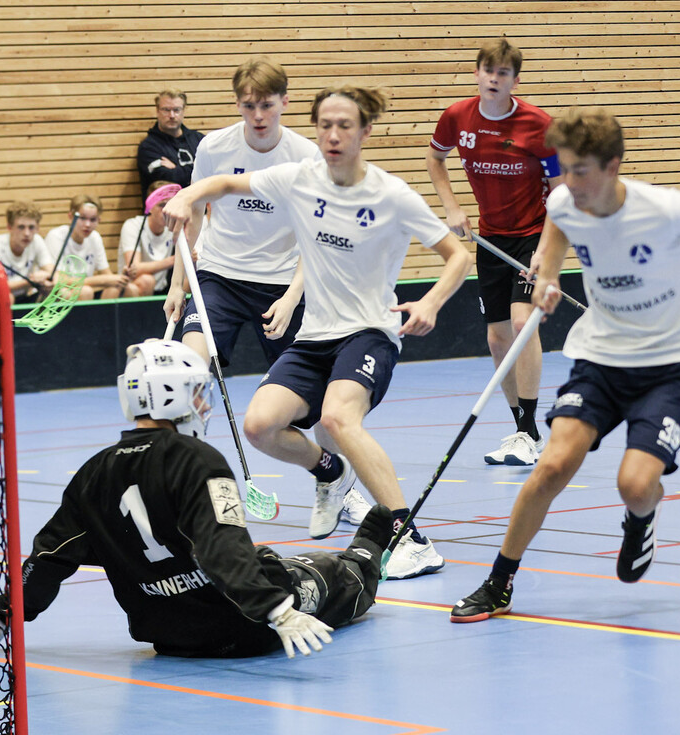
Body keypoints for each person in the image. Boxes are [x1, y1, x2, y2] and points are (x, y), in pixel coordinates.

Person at [450, 107, 680, 622]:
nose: (569, 182)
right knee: (551, 466)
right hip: (601, 360)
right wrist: (547, 279)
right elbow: (555, 238)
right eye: (564, 168)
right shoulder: (565, 201)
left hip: (669, 367)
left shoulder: (662, 208)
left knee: (634, 486)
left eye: (581, 171)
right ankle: (498, 583)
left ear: (613, 166)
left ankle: (642, 516)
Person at [163, 86, 471, 580]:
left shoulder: (391, 195)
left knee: (338, 418)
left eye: (344, 125)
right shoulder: (298, 178)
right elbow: (223, 183)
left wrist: (431, 302)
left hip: (368, 331)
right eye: (325, 125)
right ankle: (329, 471)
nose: (332, 135)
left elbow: (457, 256)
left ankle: (411, 539)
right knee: (260, 426)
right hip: (314, 336)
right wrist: (186, 195)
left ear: (365, 131)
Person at [0, 339, 393, 659]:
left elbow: (47, 558)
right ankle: (367, 553)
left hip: (169, 637)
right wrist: (276, 611)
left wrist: (3, 614)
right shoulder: (197, 459)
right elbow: (221, 548)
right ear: (172, 393)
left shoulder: (93, 473)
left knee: (263, 560)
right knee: (318, 572)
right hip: (247, 628)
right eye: (197, 391)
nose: (203, 404)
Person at [427, 38, 561, 467]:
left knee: (523, 323)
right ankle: (525, 430)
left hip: (534, 235)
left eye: (503, 73)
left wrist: (546, 251)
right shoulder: (457, 117)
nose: (494, 79)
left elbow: (561, 193)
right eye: (488, 70)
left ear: (515, 81)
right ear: (477, 74)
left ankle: (527, 432)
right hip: (491, 238)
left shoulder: (539, 125)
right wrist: (452, 207)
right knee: (497, 338)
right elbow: (435, 159)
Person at [163, 57, 319, 372]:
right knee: (188, 368)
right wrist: (177, 284)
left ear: (285, 102)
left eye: (267, 105)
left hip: (281, 281)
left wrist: (292, 297)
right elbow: (195, 214)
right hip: (219, 277)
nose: (258, 116)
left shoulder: (306, 156)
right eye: (249, 106)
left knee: (305, 387)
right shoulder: (214, 147)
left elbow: (313, 236)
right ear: (237, 104)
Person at [43, 194, 137, 300]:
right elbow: (58, 279)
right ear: (71, 217)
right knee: (85, 291)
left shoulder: (95, 237)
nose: (87, 224)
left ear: (99, 221)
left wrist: (122, 277)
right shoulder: (56, 236)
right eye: (82, 218)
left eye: (93, 220)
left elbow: (106, 274)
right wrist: (100, 280)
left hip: (85, 288)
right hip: (58, 291)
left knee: (127, 288)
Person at [0, 200, 55, 306]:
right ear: (9, 227)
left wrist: (46, 278)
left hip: (22, 297)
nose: (27, 233)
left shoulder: (36, 241)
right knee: (6, 296)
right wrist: (30, 282)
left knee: (56, 291)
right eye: (21, 227)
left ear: (37, 228)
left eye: (31, 227)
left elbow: (53, 273)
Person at [136, 89, 204, 200]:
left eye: (176, 110)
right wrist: (197, 168)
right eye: (166, 110)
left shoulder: (199, 140)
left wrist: (177, 168)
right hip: (166, 209)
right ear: (157, 111)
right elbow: (168, 180)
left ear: (183, 111)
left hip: (200, 207)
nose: (172, 115)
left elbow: (214, 172)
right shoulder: (148, 147)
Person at [117, 180, 176, 297]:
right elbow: (134, 269)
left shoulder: (175, 226)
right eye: (162, 205)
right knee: (147, 281)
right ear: (150, 206)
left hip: (162, 289)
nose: (167, 210)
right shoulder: (133, 225)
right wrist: (174, 260)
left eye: (171, 205)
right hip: (131, 288)